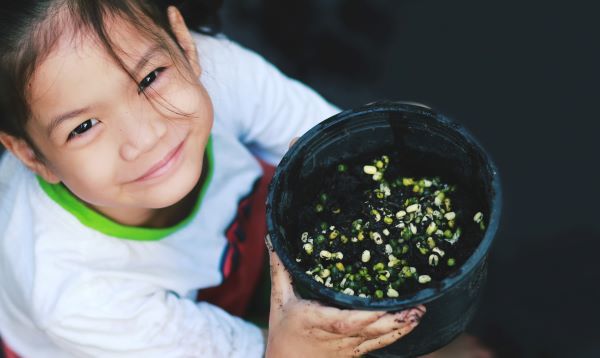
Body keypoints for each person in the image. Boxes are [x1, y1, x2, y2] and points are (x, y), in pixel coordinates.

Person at [0, 1, 426, 357]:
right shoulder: (75, 295)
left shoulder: (219, 72)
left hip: (233, 243)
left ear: (184, 43)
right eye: (84, 126)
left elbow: (339, 144)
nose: (145, 138)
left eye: (149, 79)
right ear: (31, 154)